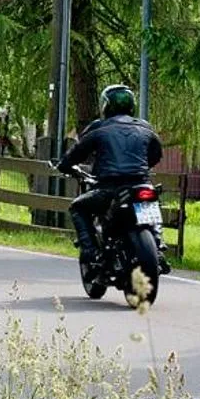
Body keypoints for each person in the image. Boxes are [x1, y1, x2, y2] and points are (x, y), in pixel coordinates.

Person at [59, 84, 164, 265]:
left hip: (109, 187)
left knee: (78, 207)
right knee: (149, 201)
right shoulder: (145, 127)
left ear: (106, 106)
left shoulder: (99, 127)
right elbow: (156, 155)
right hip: (141, 184)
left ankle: (90, 250)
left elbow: (77, 152)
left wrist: (65, 165)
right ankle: (158, 246)